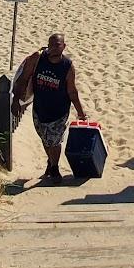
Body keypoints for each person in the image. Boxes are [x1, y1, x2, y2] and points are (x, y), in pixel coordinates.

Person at [16, 32, 86, 182]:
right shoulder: (37, 59)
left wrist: (81, 112)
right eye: (51, 45)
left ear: (64, 47)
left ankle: (54, 169)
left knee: (54, 141)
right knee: (45, 139)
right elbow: (23, 78)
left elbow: (72, 91)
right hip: (40, 108)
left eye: (57, 45)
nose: (53, 48)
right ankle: (51, 161)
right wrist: (16, 100)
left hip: (59, 111)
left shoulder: (67, 66)